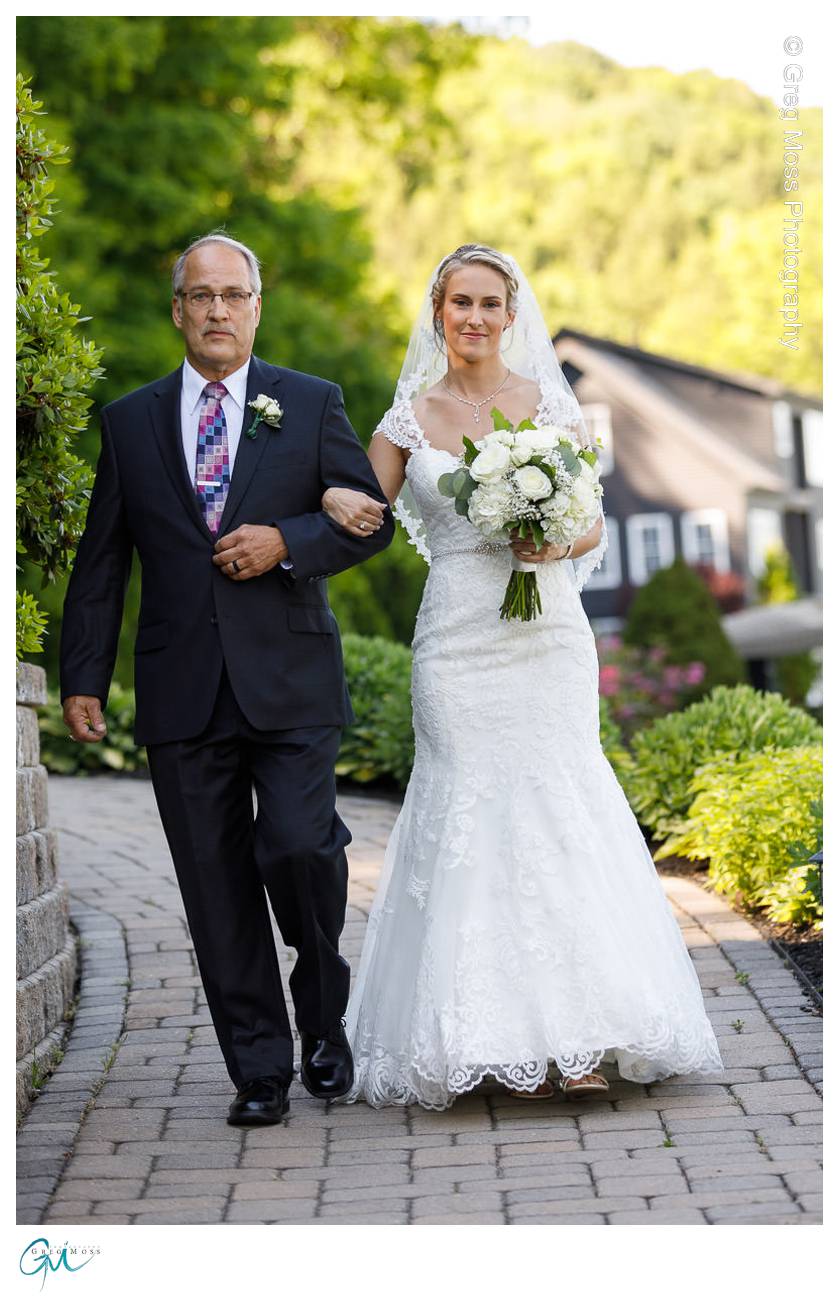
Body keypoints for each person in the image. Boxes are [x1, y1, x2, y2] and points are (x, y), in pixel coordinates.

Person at [320, 244, 724, 1109]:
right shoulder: (406, 420)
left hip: (545, 635)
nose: (473, 318)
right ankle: (487, 1036)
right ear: (438, 313)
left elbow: (592, 526)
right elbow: (356, 504)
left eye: (488, 304)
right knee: (470, 805)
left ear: (511, 315)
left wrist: (554, 538)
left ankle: (576, 1037)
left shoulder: (549, 402)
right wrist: (325, 500)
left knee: (555, 806)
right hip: (456, 643)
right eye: (457, 303)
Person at [60, 232, 394, 1126]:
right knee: (214, 888)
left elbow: (371, 524)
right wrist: (82, 672)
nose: (216, 310)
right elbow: (103, 559)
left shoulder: (310, 402)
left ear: (256, 307)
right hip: (181, 687)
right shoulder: (130, 420)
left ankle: (323, 1011)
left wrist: (290, 541)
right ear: (178, 311)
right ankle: (259, 1069)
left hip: (289, 678)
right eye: (199, 296)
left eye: (232, 295)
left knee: (298, 847)